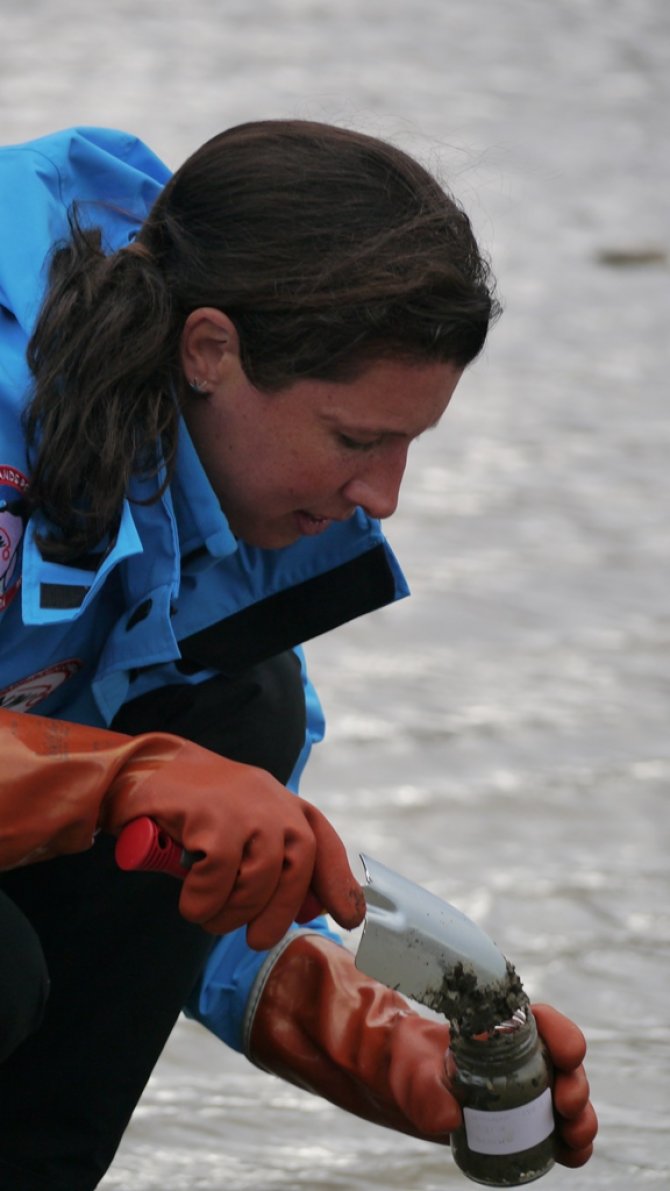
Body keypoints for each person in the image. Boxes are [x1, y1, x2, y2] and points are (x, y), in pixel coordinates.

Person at [0, 120, 597, 1189]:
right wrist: (126, 777)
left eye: (409, 444)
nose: (384, 499)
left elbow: (191, 902)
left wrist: (397, 1052)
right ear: (211, 351)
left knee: (243, 715)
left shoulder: (203, 523)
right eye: (356, 440)